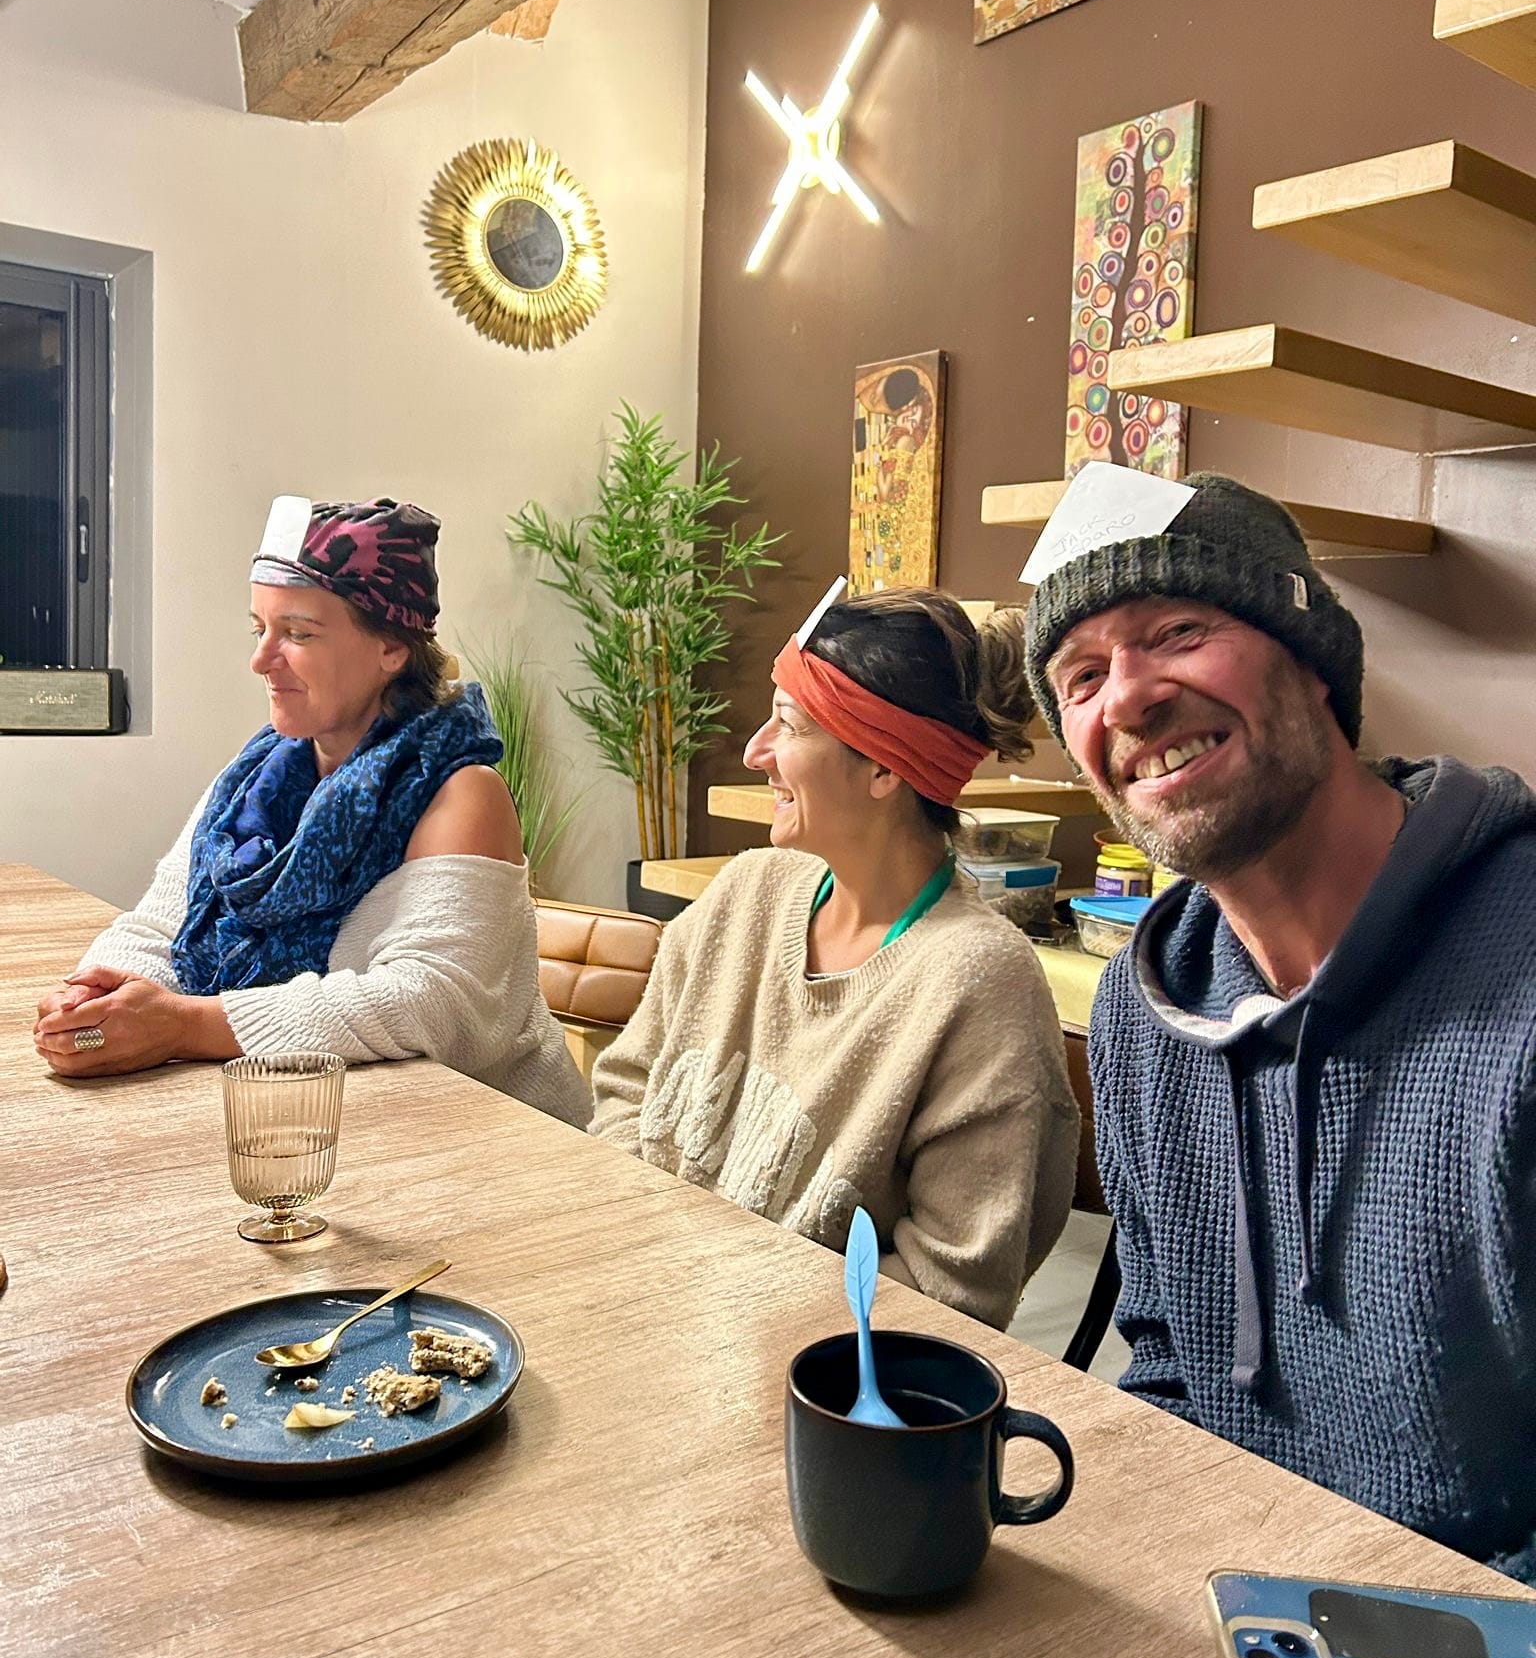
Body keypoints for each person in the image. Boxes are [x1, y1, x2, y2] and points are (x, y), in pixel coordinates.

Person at [1023, 469, 1536, 1574]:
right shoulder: (1144, 1015)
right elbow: (1168, 1367)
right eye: (1082, 677)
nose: (1128, 700)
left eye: (1179, 631)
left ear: (1313, 658)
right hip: (1246, 1614)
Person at [590, 587, 1080, 1329]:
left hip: (808, 1372)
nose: (755, 751)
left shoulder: (978, 982)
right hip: (643, 1310)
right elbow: (627, 1088)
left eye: (788, 724)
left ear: (884, 768)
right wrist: (659, 1266)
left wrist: (724, 1307)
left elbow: (950, 1292)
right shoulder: (747, 891)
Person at [33, 495, 589, 1127]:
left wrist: (183, 1026)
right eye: (260, 630)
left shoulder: (461, 791)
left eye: (298, 634)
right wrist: (94, 999)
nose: (261, 660)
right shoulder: (254, 780)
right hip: (314, 1118)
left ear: (392, 647)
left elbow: (433, 1001)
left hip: (495, 1138)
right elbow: (160, 925)